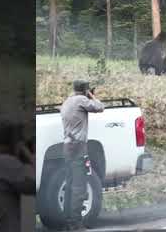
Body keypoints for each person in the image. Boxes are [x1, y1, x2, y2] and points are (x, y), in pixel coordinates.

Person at [61, 80, 105, 231]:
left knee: (70, 184)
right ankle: (76, 224)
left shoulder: (67, 101)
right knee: (79, 187)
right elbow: (100, 107)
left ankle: (67, 221)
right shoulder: (82, 100)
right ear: (85, 90)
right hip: (79, 147)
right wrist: (92, 95)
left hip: (67, 147)